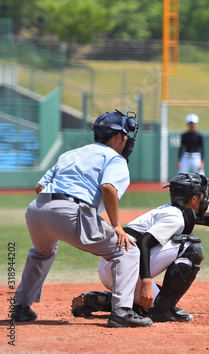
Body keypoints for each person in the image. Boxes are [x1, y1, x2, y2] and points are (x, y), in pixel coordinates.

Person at [14, 109, 153, 328]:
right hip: (71, 212)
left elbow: (39, 186)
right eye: (126, 135)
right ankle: (122, 311)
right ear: (118, 136)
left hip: (37, 210)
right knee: (127, 250)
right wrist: (116, 225)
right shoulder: (115, 159)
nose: (128, 141)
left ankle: (20, 307)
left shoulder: (71, 154)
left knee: (42, 252)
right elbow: (108, 188)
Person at [72, 172, 209, 322]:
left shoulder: (168, 211)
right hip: (123, 267)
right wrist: (147, 282)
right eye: (201, 195)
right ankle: (163, 309)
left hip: (109, 267)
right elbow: (144, 243)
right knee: (190, 247)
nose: (204, 199)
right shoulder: (175, 218)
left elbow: (201, 219)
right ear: (194, 198)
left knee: (151, 300)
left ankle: (105, 301)